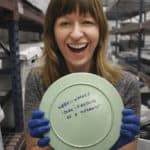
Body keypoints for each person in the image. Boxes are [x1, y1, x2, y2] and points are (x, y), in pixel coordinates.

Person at [24, 0, 141, 150]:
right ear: (52, 32)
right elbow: (33, 147)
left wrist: (114, 145)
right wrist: (47, 146)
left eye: (87, 22)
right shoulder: (37, 80)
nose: (76, 34)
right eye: (65, 23)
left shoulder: (126, 84)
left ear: (101, 30)